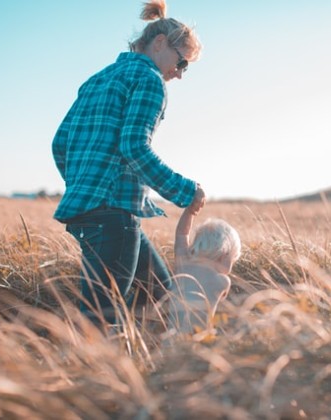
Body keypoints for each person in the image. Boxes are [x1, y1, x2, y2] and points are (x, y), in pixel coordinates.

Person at [51, 0, 205, 325]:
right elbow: (134, 147)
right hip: (113, 216)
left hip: (88, 211)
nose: (179, 74)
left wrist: (84, 186)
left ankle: (159, 370)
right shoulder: (150, 80)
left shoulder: (98, 79)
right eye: (183, 63)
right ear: (160, 43)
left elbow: (60, 144)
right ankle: (90, 373)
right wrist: (185, 191)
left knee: (161, 297)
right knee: (100, 322)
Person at [168, 201, 241, 334]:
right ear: (224, 255)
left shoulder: (183, 263)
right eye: (233, 259)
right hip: (198, 341)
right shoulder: (223, 281)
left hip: (170, 339)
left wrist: (190, 211)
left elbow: (182, 233)